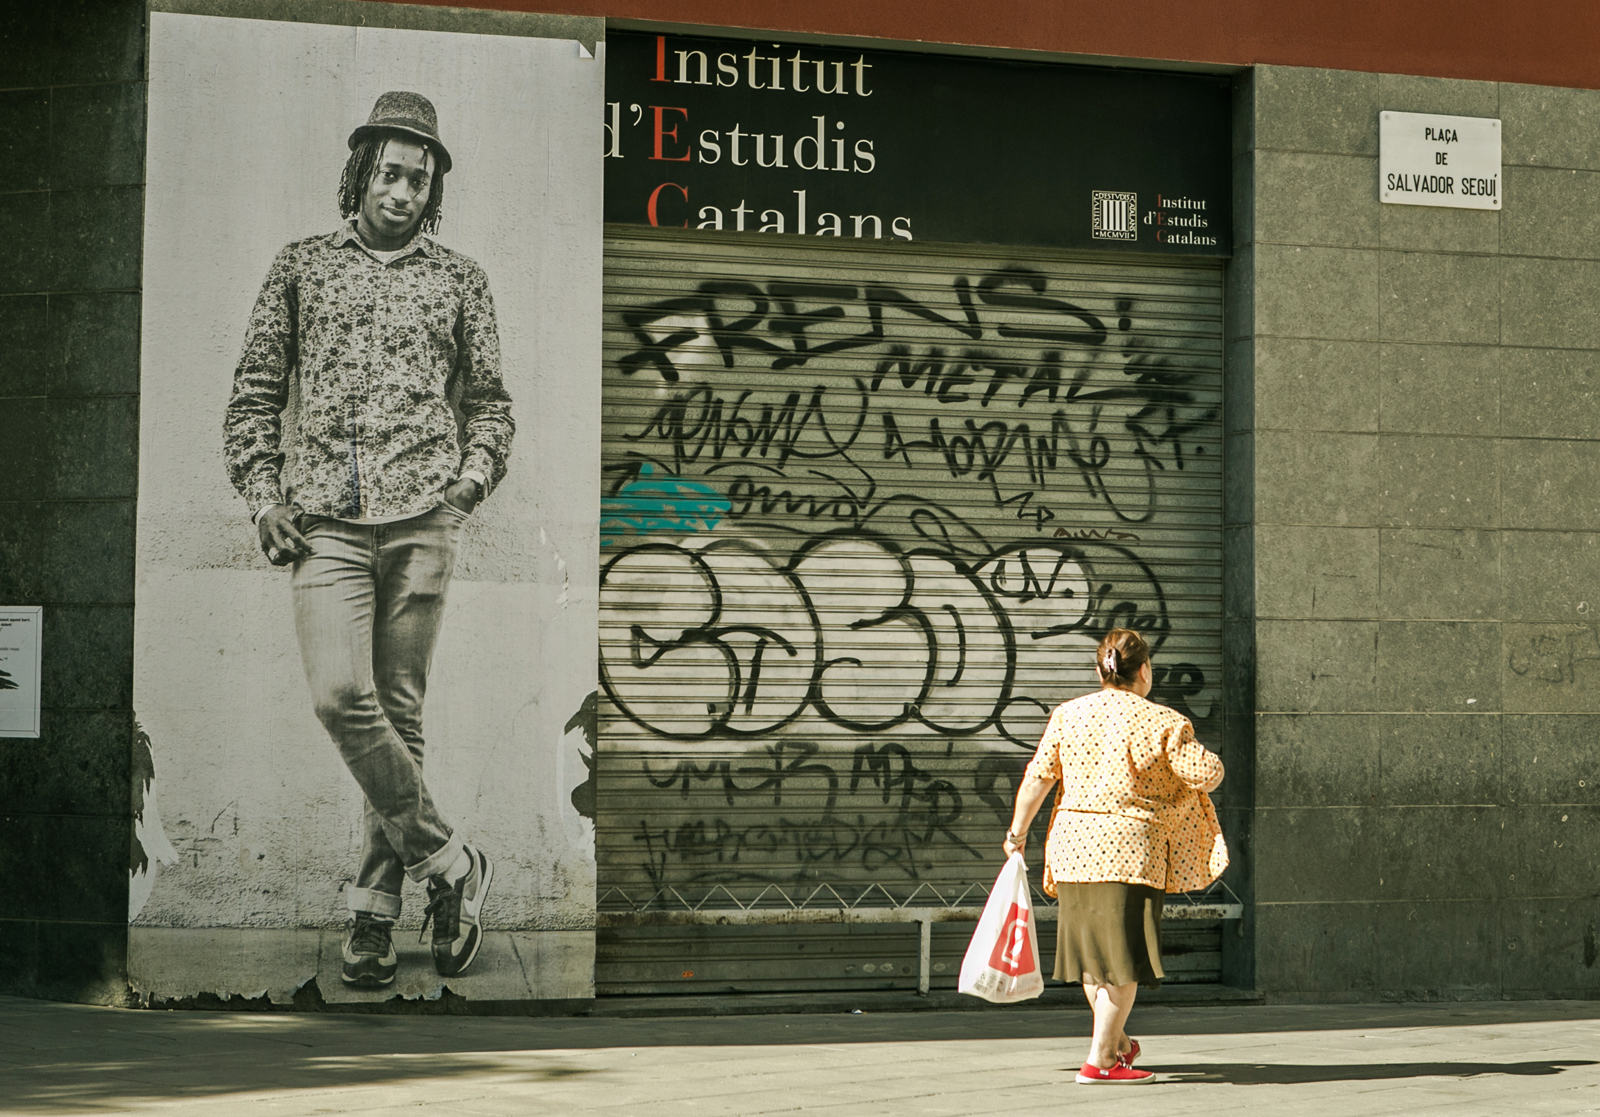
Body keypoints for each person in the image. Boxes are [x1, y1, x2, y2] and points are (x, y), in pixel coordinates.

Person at [223, 91, 515, 988]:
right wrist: (263, 498)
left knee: (399, 711)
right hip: (326, 525)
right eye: (389, 173)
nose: (402, 191)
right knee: (340, 696)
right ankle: (452, 862)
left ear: (434, 190)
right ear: (360, 173)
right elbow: (254, 393)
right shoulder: (301, 266)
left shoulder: (460, 279)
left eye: (419, 180)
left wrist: (469, 483)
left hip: (425, 518)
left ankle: (374, 915)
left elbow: (491, 403)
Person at [1003, 628, 1226, 1085]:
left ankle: (1117, 1042)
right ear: (1144, 671)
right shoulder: (1164, 721)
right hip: (1131, 853)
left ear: (1100, 671)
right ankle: (1101, 1060)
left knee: (1096, 957)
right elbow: (1205, 774)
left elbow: (1037, 778)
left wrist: (1016, 834)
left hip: (1073, 850)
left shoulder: (1067, 715)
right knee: (1123, 960)